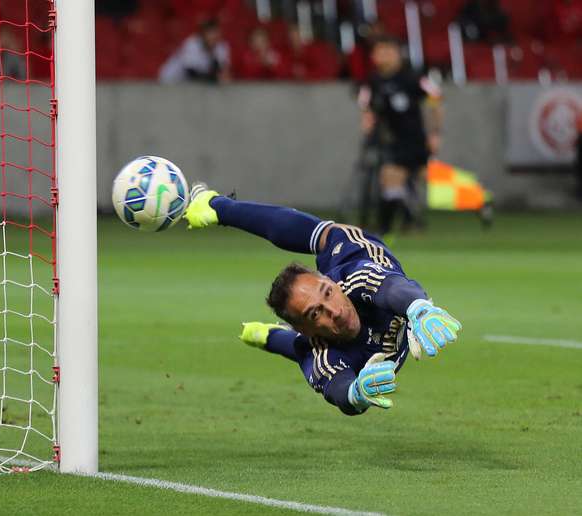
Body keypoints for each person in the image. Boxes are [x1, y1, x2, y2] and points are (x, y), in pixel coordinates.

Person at [182, 184, 462, 416]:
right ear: (306, 328)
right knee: (300, 350)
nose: (335, 312)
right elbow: (339, 390)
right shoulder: (320, 351)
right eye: (316, 314)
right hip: (316, 344)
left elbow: (391, 287)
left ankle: (217, 206)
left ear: (330, 282)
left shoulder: (354, 276)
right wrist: (356, 394)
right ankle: (269, 335)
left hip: (352, 251)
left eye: (328, 294)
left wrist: (419, 308)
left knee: (324, 234)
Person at [357, 36, 443, 235]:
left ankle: (476, 200)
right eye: (379, 52)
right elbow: (365, 104)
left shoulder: (412, 77)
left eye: (388, 52)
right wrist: (368, 120)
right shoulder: (373, 81)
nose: (383, 57)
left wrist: (435, 133)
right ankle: (396, 223)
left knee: (422, 179)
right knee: (390, 178)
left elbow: (436, 98)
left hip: (415, 139)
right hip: (392, 140)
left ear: (397, 55)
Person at [159, 19, 230, 84]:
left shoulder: (221, 46)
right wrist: (213, 78)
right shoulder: (192, 44)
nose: (213, 37)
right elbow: (191, 73)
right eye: (210, 33)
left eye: (215, 33)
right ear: (203, 34)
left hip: (190, 85)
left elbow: (221, 72)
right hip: (170, 80)